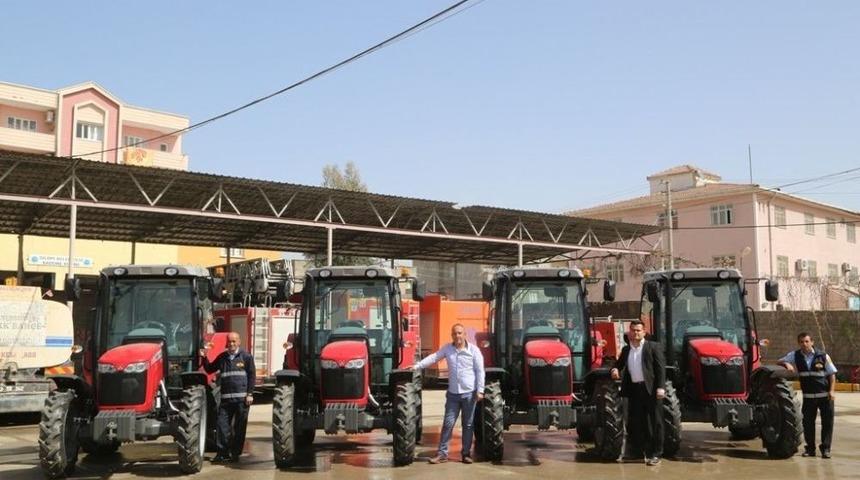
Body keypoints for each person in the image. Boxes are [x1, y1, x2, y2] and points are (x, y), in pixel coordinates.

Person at [412, 324, 484, 464]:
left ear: (464, 335)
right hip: (453, 395)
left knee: (468, 425)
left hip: (469, 394)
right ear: (452, 335)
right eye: (454, 333)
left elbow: (480, 371)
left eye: (460, 333)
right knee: (448, 424)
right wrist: (417, 366)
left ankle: (466, 454)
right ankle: (442, 454)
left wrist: (480, 390)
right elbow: (434, 357)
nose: (457, 336)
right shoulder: (448, 349)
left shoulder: (474, 351)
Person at [611, 320, 666, 466]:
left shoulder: (653, 347)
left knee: (655, 422)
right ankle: (639, 452)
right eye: (633, 330)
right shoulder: (626, 350)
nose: (636, 333)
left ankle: (656, 453)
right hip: (634, 390)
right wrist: (615, 369)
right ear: (629, 332)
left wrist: (661, 387)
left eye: (638, 330)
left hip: (651, 390)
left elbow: (660, 368)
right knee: (637, 422)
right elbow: (618, 364)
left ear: (644, 332)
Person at [777, 332, 837, 458]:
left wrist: (832, 391)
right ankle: (810, 449)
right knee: (808, 424)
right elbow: (779, 361)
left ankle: (826, 449)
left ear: (812, 342)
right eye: (801, 342)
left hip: (825, 396)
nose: (804, 344)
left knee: (827, 423)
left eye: (806, 341)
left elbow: (832, 374)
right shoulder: (795, 355)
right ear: (799, 343)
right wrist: (786, 364)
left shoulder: (823, 355)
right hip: (809, 398)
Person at [200, 332, 256, 463]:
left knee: (239, 428)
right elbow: (209, 369)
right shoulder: (222, 357)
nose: (231, 344)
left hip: (242, 400)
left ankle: (235, 453)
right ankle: (222, 453)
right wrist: (204, 357)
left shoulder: (246, 357)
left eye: (234, 341)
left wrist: (250, 394)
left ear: (239, 342)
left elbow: (252, 376)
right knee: (221, 426)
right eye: (229, 341)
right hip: (225, 400)